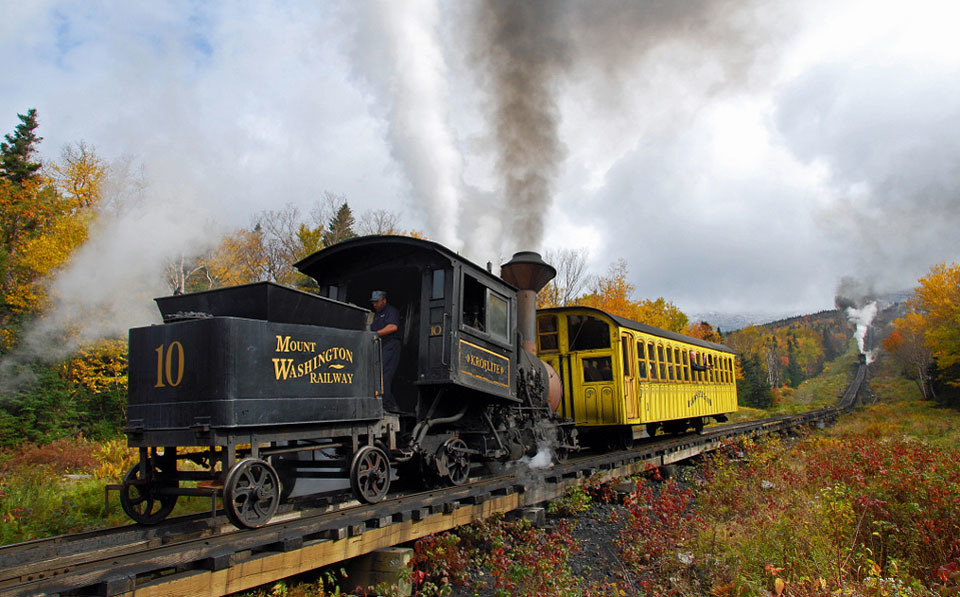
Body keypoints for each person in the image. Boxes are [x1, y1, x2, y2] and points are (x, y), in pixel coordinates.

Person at [370, 290, 401, 413]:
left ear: (384, 300)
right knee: (377, 374)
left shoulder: (391, 311)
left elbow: (393, 327)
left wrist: (376, 334)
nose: (375, 305)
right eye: (373, 303)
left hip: (391, 345)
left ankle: (388, 404)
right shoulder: (376, 315)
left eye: (377, 302)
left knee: (384, 374)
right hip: (380, 345)